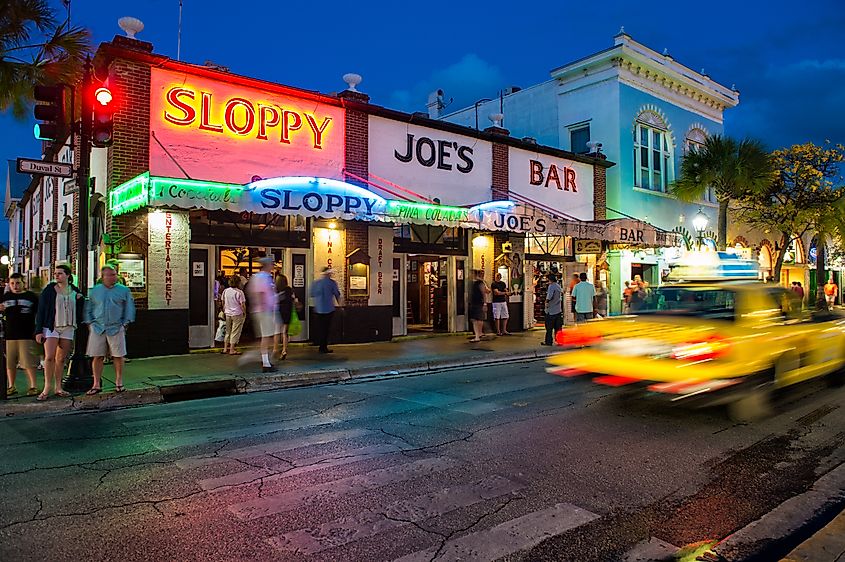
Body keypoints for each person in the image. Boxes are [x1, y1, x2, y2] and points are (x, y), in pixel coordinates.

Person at [34, 264, 84, 400]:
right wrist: (38, 330)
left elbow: (79, 308)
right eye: (55, 273)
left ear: (68, 275)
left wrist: (80, 300)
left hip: (68, 326)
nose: (57, 275)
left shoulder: (74, 290)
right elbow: (41, 310)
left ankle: (58, 386)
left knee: (61, 358)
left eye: (60, 273)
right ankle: (46, 387)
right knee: (49, 356)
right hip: (52, 326)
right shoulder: (49, 290)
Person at [84, 265, 136, 395]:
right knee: (97, 356)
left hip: (116, 327)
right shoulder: (95, 291)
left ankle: (119, 381)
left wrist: (125, 323)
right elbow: (88, 308)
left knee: (118, 355)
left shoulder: (123, 290)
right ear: (103, 277)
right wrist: (89, 323)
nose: (113, 277)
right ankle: (96, 383)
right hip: (98, 327)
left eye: (114, 274)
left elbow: (129, 307)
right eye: (110, 275)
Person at [2, 273, 39, 397]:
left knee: (28, 362)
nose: (15, 286)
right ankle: (11, 386)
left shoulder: (31, 297)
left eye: (18, 283)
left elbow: (37, 314)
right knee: (10, 363)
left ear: (23, 283)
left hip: (26, 334)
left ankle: (33, 386)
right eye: (12, 283)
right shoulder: (6, 297)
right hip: (10, 335)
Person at [248, 256, 278, 372]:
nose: (272, 267)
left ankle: (265, 359)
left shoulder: (258, 277)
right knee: (266, 337)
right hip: (264, 311)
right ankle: (265, 363)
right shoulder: (263, 277)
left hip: (262, 310)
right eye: (272, 265)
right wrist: (264, 306)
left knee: (266, 337)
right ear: (267, 265)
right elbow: (260, 293)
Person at [310, 266, 341, 353]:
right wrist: (341, 306)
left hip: (318, 309)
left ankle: (320, 344)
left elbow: (312, 294)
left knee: (320, 328)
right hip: (329, 309)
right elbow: (337, 295)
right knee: (326, 328)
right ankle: (323, 347)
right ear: (328, 273)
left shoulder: (315, 283)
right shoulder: (332, 283)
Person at [221, 276, 246, 355]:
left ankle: (225, 348)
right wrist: (245, 312)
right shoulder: (239, 292)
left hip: (228, 313)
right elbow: (242, 304)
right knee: (235, 331)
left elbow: (223, 302)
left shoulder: (225, 291)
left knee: (228, 331)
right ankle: (232, 349)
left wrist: (224, 309)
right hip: (237, 313)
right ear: (238, 283)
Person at [274, 274, 296, 360]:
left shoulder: (275, 290)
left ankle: (275, 349)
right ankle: (284, 350)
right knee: (285, 333)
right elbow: (294, 300)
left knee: (276, 332)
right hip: (287, 312)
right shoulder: (289, 290)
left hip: (277, 312)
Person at [469, 269, 490, 343]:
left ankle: (477, 336)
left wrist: (485, 303)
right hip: (475, 302)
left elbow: (484, 293)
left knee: (476, 319)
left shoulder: (480, 283)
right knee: (476, 319)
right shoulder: (474, 283)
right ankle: (478, 334)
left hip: (478, 303)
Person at [542, 273, 562, 346]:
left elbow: (549, 297)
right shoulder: (558, 286)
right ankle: (559, 341)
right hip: (558, 309)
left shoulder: (551, 286)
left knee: (549, 328)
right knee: (558, 328)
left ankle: (548, 341)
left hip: (551, 310)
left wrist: (546, 302)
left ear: (549, 279)